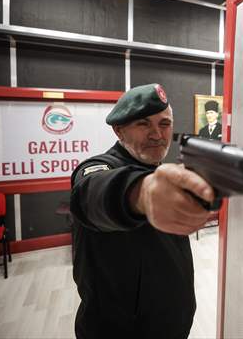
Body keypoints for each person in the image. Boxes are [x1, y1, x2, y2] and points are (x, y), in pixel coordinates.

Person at [70, 83, 216, 338]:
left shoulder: (161, 173)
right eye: (143, 124)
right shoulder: (99, 168)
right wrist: (141, 194)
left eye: (164, 124)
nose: (157, 134)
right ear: (119, 130)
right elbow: (91, 194)